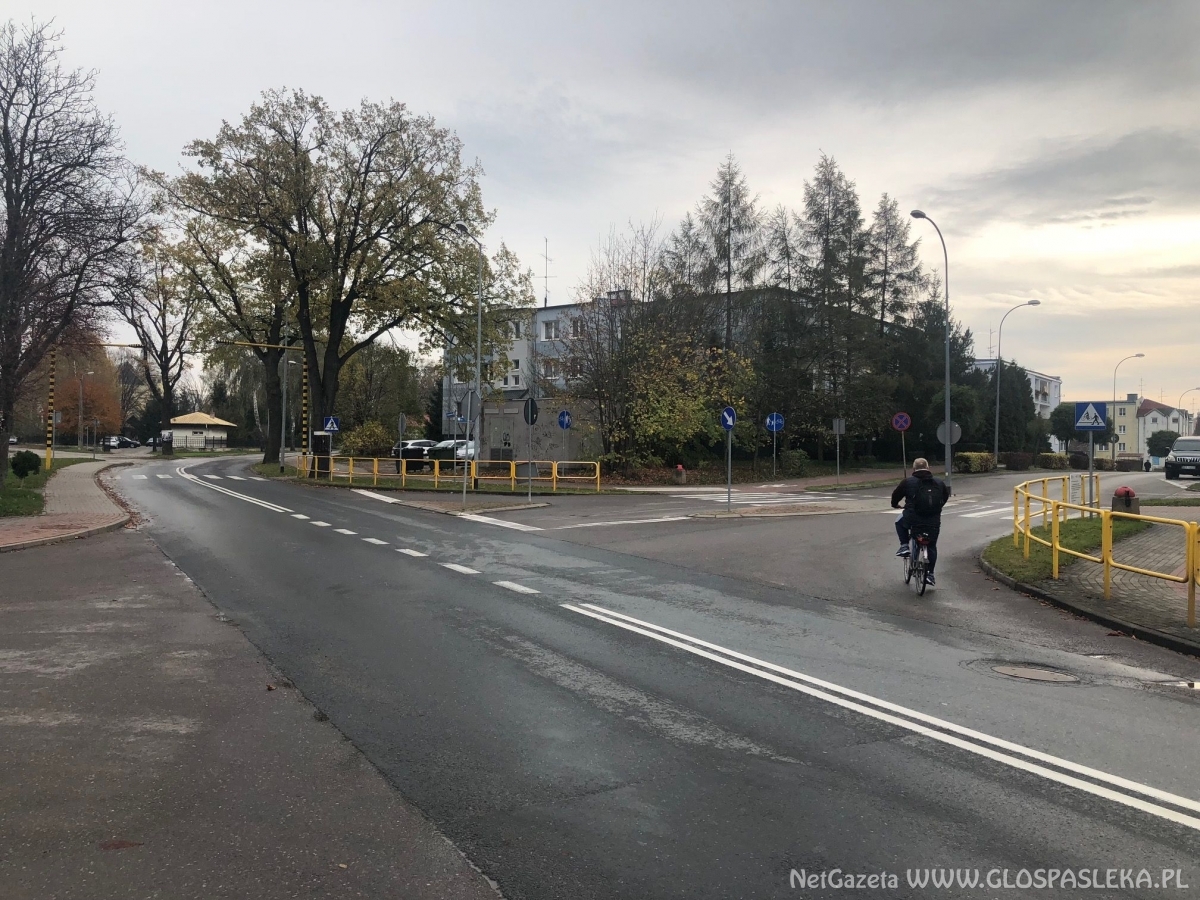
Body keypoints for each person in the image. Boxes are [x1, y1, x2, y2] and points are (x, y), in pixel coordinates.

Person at [891, 458, 951, 586]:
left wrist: (895, 504)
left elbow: (896, 495)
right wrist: (936, 508)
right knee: (931, 545)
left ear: (914, 469)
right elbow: (945, 497)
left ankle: (904, 546)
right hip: (933, 520)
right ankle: (930, 575)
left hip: (912, 518)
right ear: (928, 468)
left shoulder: (907, 482)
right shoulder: (939, 482)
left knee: (898, 522)